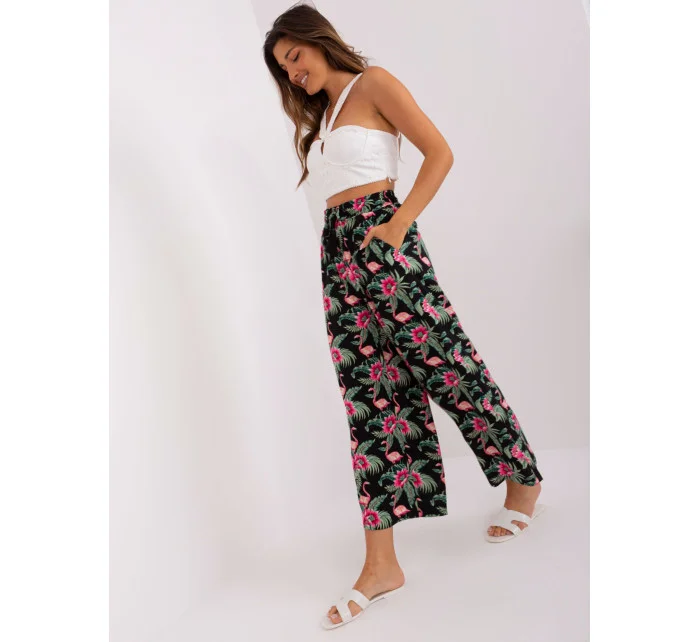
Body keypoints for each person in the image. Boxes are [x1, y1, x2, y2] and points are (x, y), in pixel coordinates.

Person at [264, 2, 545, 630]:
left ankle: (521, 478)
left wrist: (396, 225)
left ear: (318, 41)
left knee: (448, 366)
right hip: (339, 257)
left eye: (295, 56)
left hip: (384, 240)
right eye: (283, 68)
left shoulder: (374, 83)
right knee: (371, 399)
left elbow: (439, 153)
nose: (292, 72)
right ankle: (381, 564)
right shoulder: (319, 120)